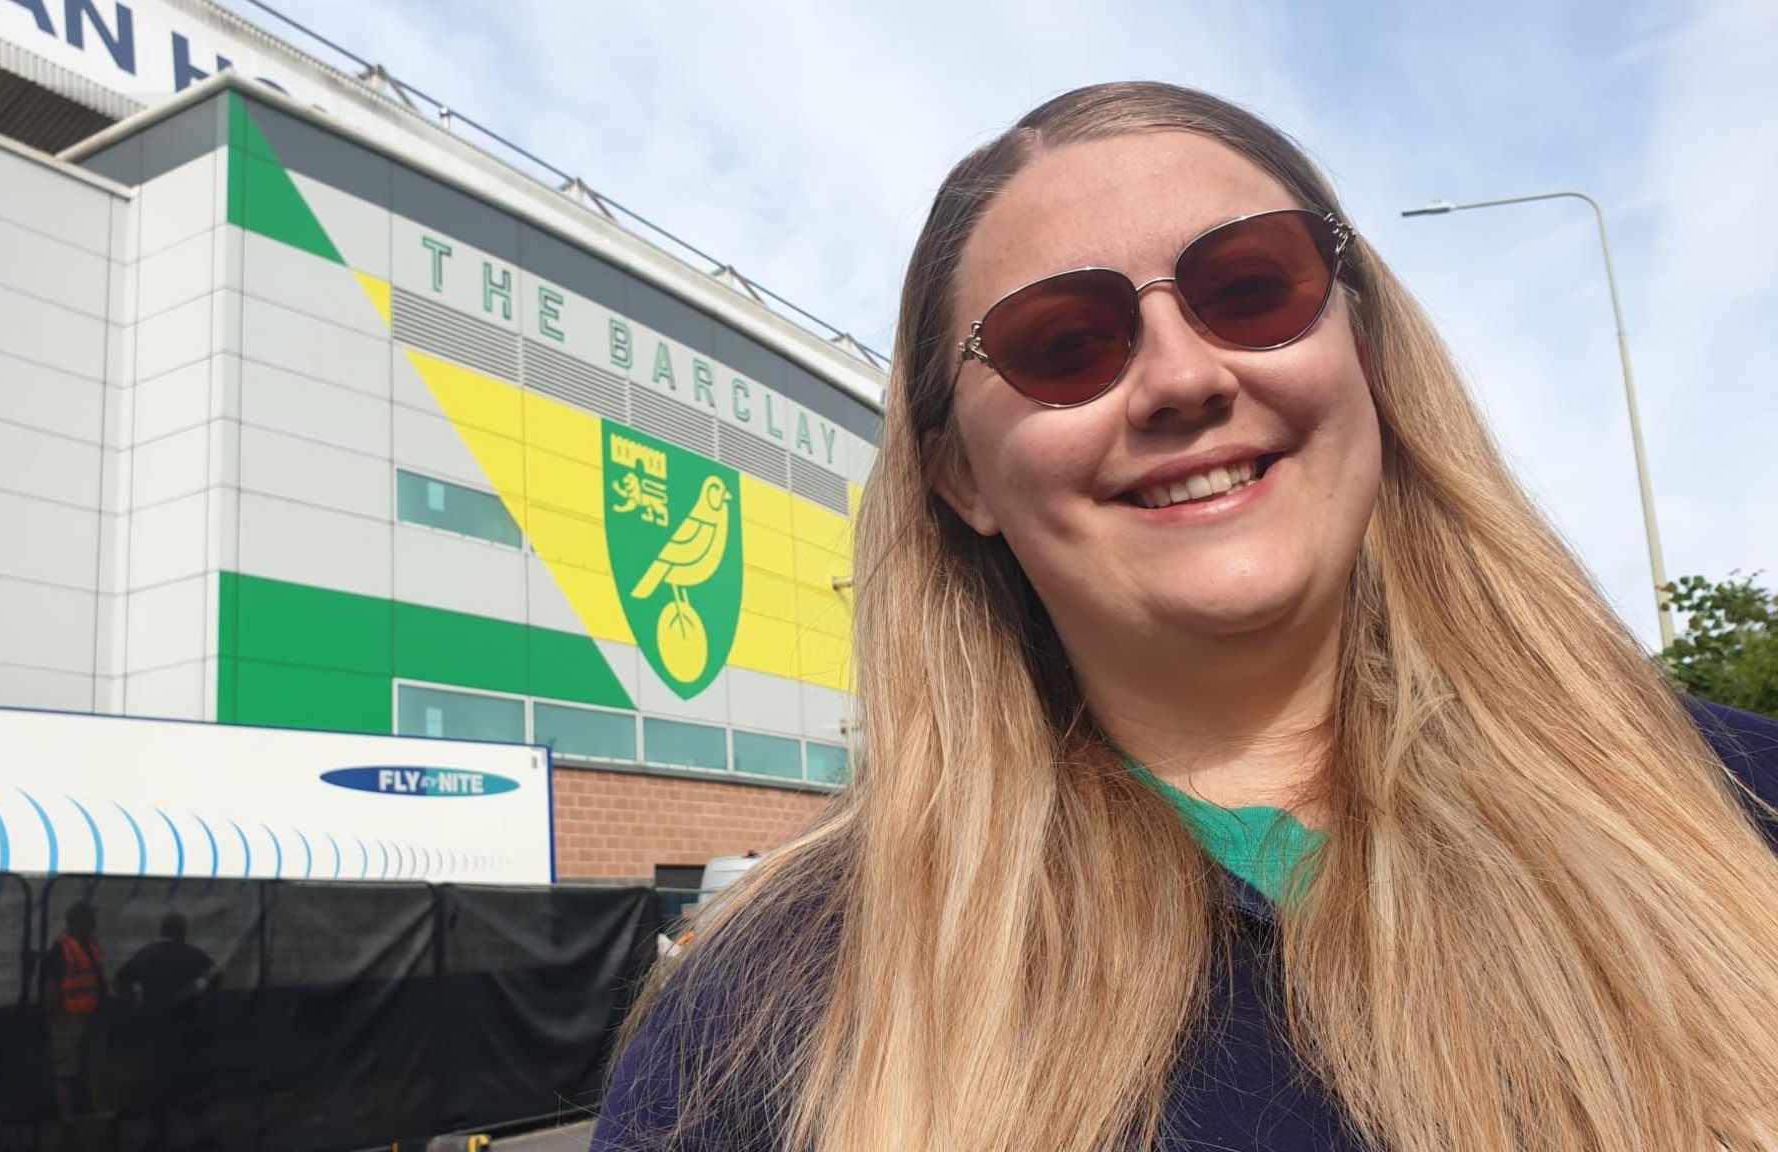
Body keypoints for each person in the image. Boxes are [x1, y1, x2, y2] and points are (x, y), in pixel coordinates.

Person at [593, 82, 1778, 1152]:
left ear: (1361, 348)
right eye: (1061, 345)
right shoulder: (775, 1003)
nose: (1179, 377)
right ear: (958, 478)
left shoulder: (1741, 805)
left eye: (1249, 287)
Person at [115, 912, 220, 1149]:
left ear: (163, 930)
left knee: (156, 1082)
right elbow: (215, 975)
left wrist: (134, 1001)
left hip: (155, 1028)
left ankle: (156, 1135)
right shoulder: (192, 955)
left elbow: (122, 978)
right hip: (187, 1029)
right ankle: (202, 1134)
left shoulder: (148, 955)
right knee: (191, 1082)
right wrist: (200, 996)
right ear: (182, 931)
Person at [40, 901, 108, 1122]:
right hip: (69, 1019)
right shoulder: (62, 949)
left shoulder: (91, 945)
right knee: (65, 1072)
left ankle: (99, 1115)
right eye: (89, 917)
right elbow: (52, 985)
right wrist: (57, 1016)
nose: (93, 922)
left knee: (95, 1069)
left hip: (93, 1016)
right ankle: (68, 1120)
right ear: (77, 921)